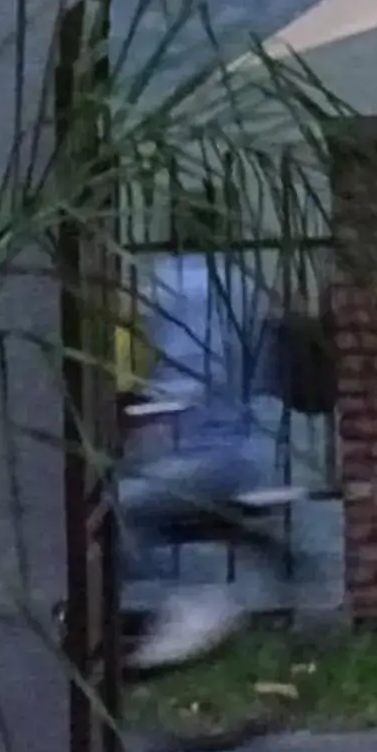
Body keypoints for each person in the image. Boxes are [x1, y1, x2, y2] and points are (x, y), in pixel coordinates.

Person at [115, 230, 298, 672]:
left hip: (195, 460)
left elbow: (185, 378)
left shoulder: (173, 284)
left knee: (112, 514)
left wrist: (142, 414)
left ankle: (183, 604)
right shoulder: (241, 284)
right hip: (245, 454)